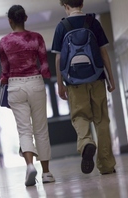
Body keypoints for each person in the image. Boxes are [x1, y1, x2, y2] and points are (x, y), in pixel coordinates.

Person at [51, 0, 116, 175]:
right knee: (101, 119)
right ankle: (107, 165)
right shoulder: (93, 22)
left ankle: (86, 141)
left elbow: (58, 59)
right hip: (97, 78)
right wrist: (111, 78)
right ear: (82, 3)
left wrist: (60, 84)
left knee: (80, 116)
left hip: (74, 82)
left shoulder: (61, 26)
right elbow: (103, 53)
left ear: (65, 5)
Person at [0, 5, 55, 186]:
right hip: (35, 83)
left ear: (10, 21)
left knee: (24, 130)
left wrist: (4, 80)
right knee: (41, 129)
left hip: (15, 86)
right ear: (26, 18)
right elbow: (45, 66)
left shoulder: (4, 42)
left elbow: (5, 71)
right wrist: (44, 76)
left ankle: (30, 166)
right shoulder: (36, 38)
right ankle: (46, 173)